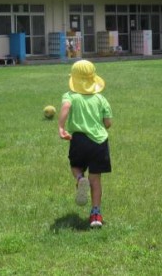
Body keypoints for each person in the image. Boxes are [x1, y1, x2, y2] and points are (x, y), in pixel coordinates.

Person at [58, 60, 113, 228]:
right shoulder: (101, 98)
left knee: (76, 166)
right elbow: (108, 122)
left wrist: (61, 127)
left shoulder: (70, 96)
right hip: (99, 142)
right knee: (96, 179)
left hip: (79, 140)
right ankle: (95, 215)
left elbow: (66, 107)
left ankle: (80, 178)